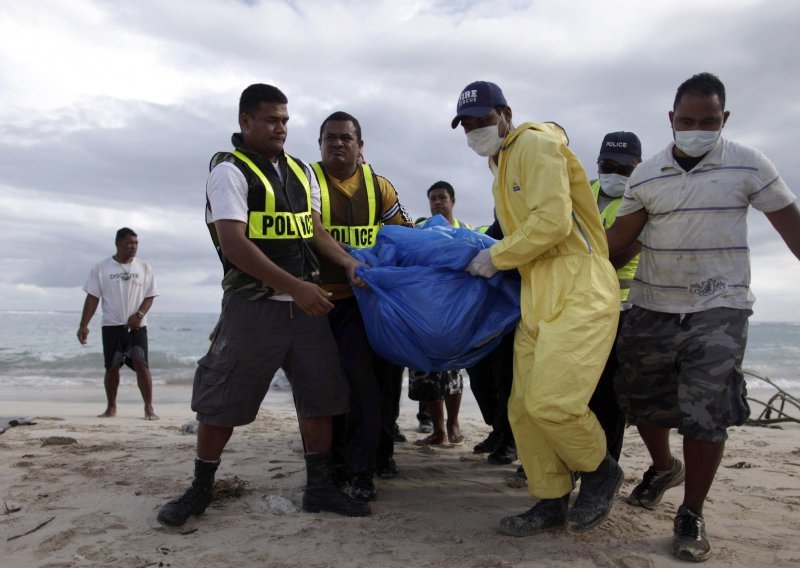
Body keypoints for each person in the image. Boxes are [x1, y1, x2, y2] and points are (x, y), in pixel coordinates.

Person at [606, 72, 800, 562]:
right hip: (651, 304)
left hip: (720, 305)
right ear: (670, 120)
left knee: (706, 407)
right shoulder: (647, 175)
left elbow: (792, 228)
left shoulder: (749, 164)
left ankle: (691, 511)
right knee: (643, 403)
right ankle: (663, 466)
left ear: (724, 120)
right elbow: (616, 244)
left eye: (708, 121)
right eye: (687, 120)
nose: (697, 128)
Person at [157, 84, 371, 527]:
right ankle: (200, 490)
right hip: (254, 308)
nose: (280, 128)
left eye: (285, 120)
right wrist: (296, 287)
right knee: (221, 401)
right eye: (271, 120)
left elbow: (312, 230)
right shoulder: (229, 171)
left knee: (321, 397)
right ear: (245, 121)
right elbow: (235, 244)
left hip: (306, 309)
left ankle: (319, 489)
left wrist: (349, 262)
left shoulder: (301, 171)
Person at [452, 80, 622, 536]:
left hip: (579, 282)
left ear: (504, 113)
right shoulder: (501, 161)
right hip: (537, 289)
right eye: (465, 124)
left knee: (554, 402)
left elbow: (551, 221)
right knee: (523, 407)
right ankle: (550, 500)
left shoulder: (535, 144)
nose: (473, 130)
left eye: (481, 120)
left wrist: (495, 257)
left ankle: (601, 471)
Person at [311, 110, 413, 501]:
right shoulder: (308, 182)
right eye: (330, 138)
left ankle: (361, 471)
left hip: (365, 304)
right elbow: (314, 230)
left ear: (360, 145)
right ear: (319, 144)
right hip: (317, 301)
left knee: (365, 388)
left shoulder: (379, 186)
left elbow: (405, 236)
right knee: (322, 389)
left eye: (346, 138)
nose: (338, 143)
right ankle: (330, 465)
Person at [587, 131, 643, 461]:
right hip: (583, 306)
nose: (616, 174)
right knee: (581, 388)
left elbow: (618, 254)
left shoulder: (643, 201)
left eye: (625, 168)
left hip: (623, 310)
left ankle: (607, 466)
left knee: (609, 393)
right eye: (608, 165)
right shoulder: (585, 193)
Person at [410, 181, 470, 446]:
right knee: (426, 375)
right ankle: (438, 430)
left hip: (454, 316)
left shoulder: (466, 231)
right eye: (432, 198)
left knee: (453, 374)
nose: (437, 202)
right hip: (424, 315)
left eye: (442, 197)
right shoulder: (420, 231)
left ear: (452, 201)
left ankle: (453, 423)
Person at [77, 227, 159, 420]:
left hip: (137, 326)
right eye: (129, 243)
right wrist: (84, 325)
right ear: (117, 244)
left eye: (136, 243)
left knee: (141, 364)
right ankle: (111, 407)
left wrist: (138, 314)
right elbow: (92, 298)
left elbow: (150, 295)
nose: (133, 247)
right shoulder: (101, 268)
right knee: (112, 367)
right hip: (111, 325)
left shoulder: (144, 267)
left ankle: (149, 408)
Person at [466, 218, 517, 465]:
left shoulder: (533, 222)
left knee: (511, 382)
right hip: (491, 317)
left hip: (521, 314)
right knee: (480, 376)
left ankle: (510, 440)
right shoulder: (496, 228)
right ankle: (498, 430)